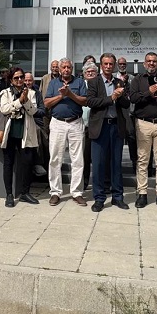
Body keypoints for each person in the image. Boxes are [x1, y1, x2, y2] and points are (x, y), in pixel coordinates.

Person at [129, 52, 157, 210]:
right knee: (142, 160)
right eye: (148, 61)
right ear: (144, 63)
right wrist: (148, 93)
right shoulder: (137, 80)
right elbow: (133, 98)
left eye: (154, 61)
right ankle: (142, 193)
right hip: (143, 124)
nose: (151, 64)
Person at [86, 53, 130, 212]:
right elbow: (90, 102)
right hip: (100, 127)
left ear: (115, 66)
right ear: (101, 65)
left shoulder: (119, 82)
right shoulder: (94, 82)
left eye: (111, 64)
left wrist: (120, 95)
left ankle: (118, 197)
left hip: (116, 127)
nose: (108, 66)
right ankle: (99, 198)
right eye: (105, 64)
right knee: (98, 164)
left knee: (116, 163)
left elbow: (126, 104)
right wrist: (111, 97)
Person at [44, 58, 88, 207]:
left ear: (72, 69)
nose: (66, 69)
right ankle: (55, 192)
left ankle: (76, 192)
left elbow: (84, 101)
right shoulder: (53, 83)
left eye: (69, 67)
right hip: (57, 123)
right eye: (64, 67)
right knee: (55, 159)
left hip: (75, 122)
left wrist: (70, 94)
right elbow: (46, 103)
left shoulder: (79, 82)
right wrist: (61, 96)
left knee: (78, 160)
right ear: (60, 69)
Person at [0, 67, 40, 207]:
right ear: (11, 80)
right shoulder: (5, 93)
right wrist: (18, 102)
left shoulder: (32, 93)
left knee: (27, 163)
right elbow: (4, 109)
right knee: (8, 163)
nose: (20, 80)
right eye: (16, 78)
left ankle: (25, 193)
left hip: (25, 132)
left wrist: (25, 99)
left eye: (21, 77)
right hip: (10, 132)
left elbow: (34, 111)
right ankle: (9, 194)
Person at [24, 72, 49, 177]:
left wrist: (33, 111)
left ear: (33, 81)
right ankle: (37, 163)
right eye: (25, 80)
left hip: (36, 120)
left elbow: (42, 111)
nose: (27, 82)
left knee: (45, 138)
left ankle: (42, 166)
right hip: (23, 121)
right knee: (36, 132)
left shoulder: (37, 93)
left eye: (30, 80)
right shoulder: (17, 92)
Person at [81, 62, 99, 190]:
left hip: (98, 125)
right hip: (83, 125)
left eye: (93, 71)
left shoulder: (100, 85)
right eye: (88, 72)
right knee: (84, 157)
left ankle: (102, 183)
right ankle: (85, 182)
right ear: (84, 74)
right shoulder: (80, 85)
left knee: (99, 156)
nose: (90, 73)